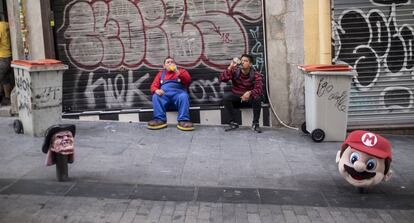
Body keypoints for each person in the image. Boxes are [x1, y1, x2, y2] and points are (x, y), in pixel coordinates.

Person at [220, 54, 263, 133]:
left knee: (257, 97)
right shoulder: (235, 71)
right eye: (242, 60)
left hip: (248, 98)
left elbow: (259, 89)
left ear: (250, 64)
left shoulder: (256, 74)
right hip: (237, 96)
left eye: (245, 61)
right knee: (226, 97)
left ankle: (255, 124)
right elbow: (223, 79)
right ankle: (233, 123)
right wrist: (230, 66)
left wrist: (249, 92)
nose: (242, 62)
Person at [147, 57, 194, 131]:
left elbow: (188, 80)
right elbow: (153, 86)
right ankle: (159, 119)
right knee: (155, 96)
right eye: (168, 62)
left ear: (175, 64)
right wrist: (156, 90)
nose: (170, 63)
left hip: (178, 95)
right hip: (164, 96)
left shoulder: (181, 71)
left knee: (184, 96)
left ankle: (183, 120)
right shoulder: (160, 74)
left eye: (172, 62)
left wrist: (177, 71)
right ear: (164, 66)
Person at [0, 17, 13, 106]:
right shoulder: (6, 24)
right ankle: (8, 98)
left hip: (2, 57)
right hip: (9, 55)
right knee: (5, 78)